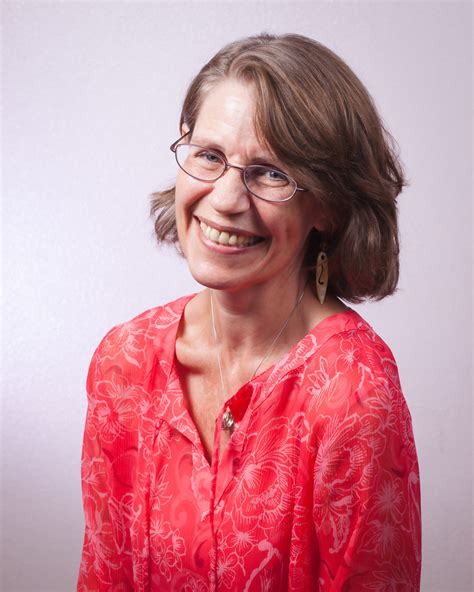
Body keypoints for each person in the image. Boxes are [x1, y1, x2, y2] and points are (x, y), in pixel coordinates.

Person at [77, 33, 422, 591]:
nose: (226, 199)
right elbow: (103, 577)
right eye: (210, 157)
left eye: (271, 173)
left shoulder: (353, 396)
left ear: (328, 206)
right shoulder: (126, 362)